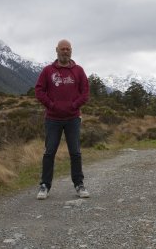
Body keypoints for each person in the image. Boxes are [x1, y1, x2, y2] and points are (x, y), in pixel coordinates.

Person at [35, 39, 90, 200]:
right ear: (56, 50)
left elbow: (85, 92)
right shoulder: (47, 71)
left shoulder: (79, 71)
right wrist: (51, 105)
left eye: (68, 49)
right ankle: (44, 185)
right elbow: (39, 91)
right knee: (49, 152)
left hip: (73, 119)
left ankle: (79, 184)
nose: (65, 51)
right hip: (53, 119)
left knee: (75, 152)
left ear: (71, 51)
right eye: (62, 49)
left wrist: (74, 105)